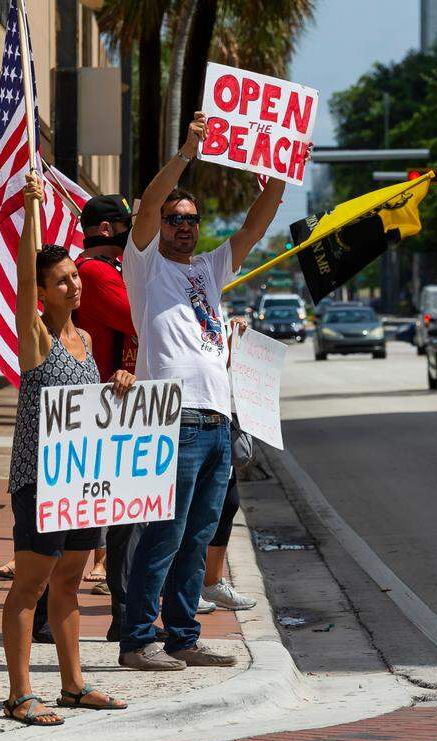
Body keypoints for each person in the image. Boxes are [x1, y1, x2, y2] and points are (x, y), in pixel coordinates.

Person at [118, 111, 288, 671]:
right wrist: (189, 150)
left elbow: (254, 229)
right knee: (164, 534)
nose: (184, 226)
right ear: (159, 225)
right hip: (174, 417)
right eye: (175, 219)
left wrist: (281, 173)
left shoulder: (210, 270)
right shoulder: (143, 267)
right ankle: (139, 639)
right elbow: (145, 204)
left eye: (191, 219)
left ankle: (183, 636)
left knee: (197, 540)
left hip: (217, 421)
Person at [1, 174, 134, 726]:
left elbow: (86, 408)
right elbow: (23, 282)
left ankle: (74, 686)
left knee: (71, 581)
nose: (75, 287)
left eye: (75, 277)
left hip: (81, 480)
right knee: (29, 584)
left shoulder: (83, 342)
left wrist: (119, 383)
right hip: (39, 479)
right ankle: (18, 694)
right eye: (62, 282)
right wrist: (32, 210)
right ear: (42, 291)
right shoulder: (37, 337)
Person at [71, 194, 145, 638]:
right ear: (105, 230)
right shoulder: (95, 273)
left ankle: (123, 613)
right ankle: (120, 612)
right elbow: (141, 318)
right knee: (100, 521)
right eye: (125, 224)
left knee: (117, 519)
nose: (132, 232)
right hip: (97, 411)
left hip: (113, 406)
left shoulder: (110, 271)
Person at [201, 316, 257, 612]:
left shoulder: (212, 312)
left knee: (227, 502)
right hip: (191, 420)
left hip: (218, 416)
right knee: (190, 513)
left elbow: (219, 366)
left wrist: (233, 340)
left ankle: (212, 582)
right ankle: (184, 584)